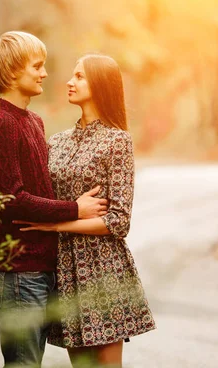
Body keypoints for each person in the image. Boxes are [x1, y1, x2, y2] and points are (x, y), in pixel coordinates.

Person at [0, 32, 108, 367]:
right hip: (17, 268)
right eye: (37, 66)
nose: (45, 73)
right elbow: (12, 200)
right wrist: (75, 208)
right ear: (13, 71)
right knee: (24, 363)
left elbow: (41, 187)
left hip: (43, 266)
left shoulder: (34, 121)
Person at [15, 54, 156, 367]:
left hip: (103, 269)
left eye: (79, 76)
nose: (69, 81)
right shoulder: (57, 141)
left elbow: (118, 222)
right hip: (63, 270)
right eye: (72, 75)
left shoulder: (117, 141)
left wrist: (56, 226)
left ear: (100, 84)